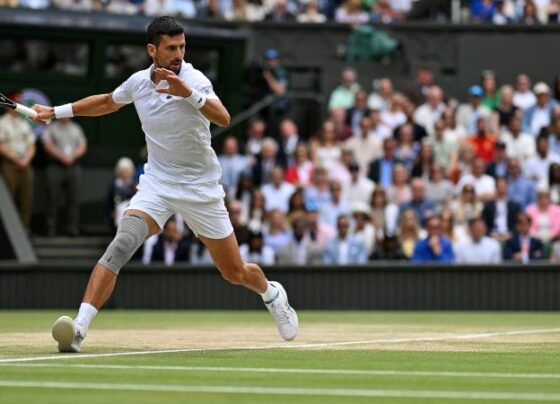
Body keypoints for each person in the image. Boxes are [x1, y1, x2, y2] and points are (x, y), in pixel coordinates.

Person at [35, 16, 298, 353]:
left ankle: (272, 294)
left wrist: (187, 93)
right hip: (157, 183)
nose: (178, 54)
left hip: (201, 188)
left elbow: (224, 117)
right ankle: (79, 330)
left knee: (234, 272)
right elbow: (106, 102)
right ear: (152, 50)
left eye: (182, 47)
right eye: (171, 48)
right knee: (120, 245)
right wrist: (54, 112)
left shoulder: (194, 79)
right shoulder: (137, 83)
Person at [42, 117, 87, 236]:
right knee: (52, 197)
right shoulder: (52, 127)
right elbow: (47, 144)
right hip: (55, 165)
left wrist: (72, 157)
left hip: (73, 165)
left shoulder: (76, 128)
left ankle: (73, 228)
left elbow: (82, 146)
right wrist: (61, 156)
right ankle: (50, 227)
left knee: (73, 199)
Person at [0, 106, 36, 232]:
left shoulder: (24, 123)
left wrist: (25, 160)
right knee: (8, 199)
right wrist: (15, 160)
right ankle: (8, 231)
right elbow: (1, 146)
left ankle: (24, 229)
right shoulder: (2, 122)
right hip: (10, 164)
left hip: (25, 164)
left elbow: (31, 145)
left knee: (26, 199)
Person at [481, 178, 521, 242]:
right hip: (492, 236)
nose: (502, 190)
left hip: (510, 236)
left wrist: (511, 234)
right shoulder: (488, 206)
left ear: (508, 188)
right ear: (496, 189)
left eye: (504, 187)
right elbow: (484, 223)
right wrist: (491, 234)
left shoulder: (514, 206)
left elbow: (518, 223)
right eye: (500, 187)